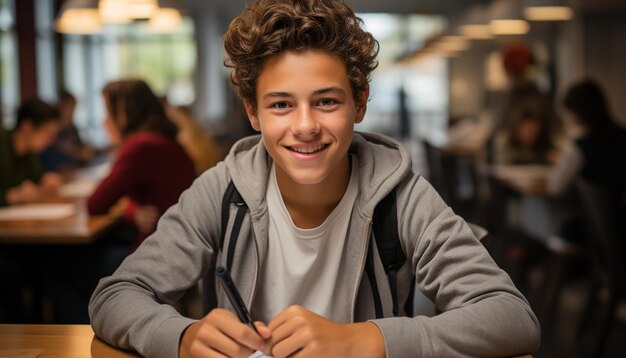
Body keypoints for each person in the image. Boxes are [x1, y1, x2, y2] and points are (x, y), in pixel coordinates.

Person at [89, 1, 540, 357]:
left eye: (326, 101)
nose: (304, 126)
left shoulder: (402, 196)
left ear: (360, 103)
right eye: (281, 105)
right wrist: (182, 337)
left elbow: (511, 317)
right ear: (253, 112)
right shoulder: (221, 190)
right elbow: (115, 296)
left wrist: (367, 341)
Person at [547, 79, 626, 244]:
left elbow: (555, 187)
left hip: (601, 233)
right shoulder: (622, 136)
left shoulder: (579, 147)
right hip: (621, 227)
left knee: (562, 229)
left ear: (576, 113)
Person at [0, 97, 63, 206]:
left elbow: (36, 177)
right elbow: (13, 194)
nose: (50, 141)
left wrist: (45, 180)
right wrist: (10, 196)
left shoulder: (30, 152)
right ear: (27, 127)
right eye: (47, 134)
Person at [40, 90, 94, 173]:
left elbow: (81, 148)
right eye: (70, 108)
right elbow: (45, 155)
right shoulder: (52, 128)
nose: (73, 112)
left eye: (74, 108)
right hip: (55, 173)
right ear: (61, 107)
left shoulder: (72, 128)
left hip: (73, 172)